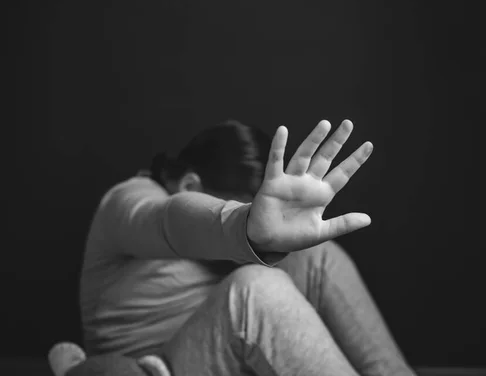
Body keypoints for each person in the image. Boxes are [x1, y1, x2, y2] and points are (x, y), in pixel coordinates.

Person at [68, 119, 415, 376]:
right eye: (246, 208)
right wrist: (244, 225)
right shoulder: (129, 202)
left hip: (224, 355)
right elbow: (171, 220)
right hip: (156, 365)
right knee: (254, 290)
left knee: (315, 256)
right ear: (190, 185)